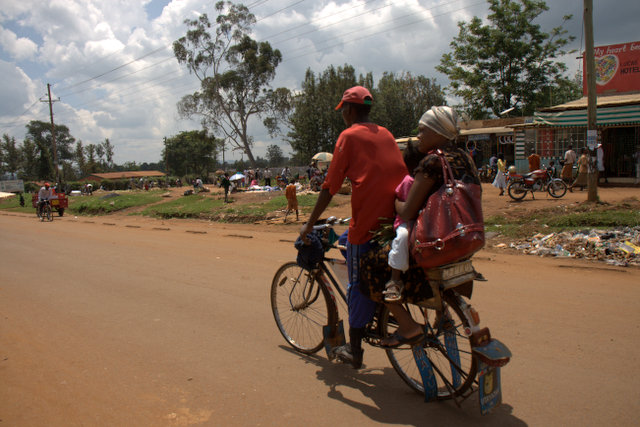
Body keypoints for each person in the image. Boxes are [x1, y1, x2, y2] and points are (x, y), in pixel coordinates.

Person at [298, 85, 407, 368]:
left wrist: (309, 224)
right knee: (345, 243)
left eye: (342, 110)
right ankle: (377, 301)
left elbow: (329, 186)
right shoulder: (386, 134)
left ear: (348, 110)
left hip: (367, 224)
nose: (342, 115)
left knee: (356, 283)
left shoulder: (347, 136)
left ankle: (355, 350)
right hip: (392, 221)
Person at [380, 106, 481, 348]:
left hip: (436, 239)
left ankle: (407, 326)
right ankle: (442, 311)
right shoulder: (465, 158)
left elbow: (407, 211)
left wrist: (392, 201)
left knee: (374, 265)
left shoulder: (433, 162)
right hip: (465, 236)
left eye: (423, 130)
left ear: (438, 132)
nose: (419, 135)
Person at [382, 141, 427, 303]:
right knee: (402, 236)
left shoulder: (424, 180)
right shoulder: (408, 181)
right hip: (407, 222)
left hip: (420, 221)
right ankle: (395, 277)